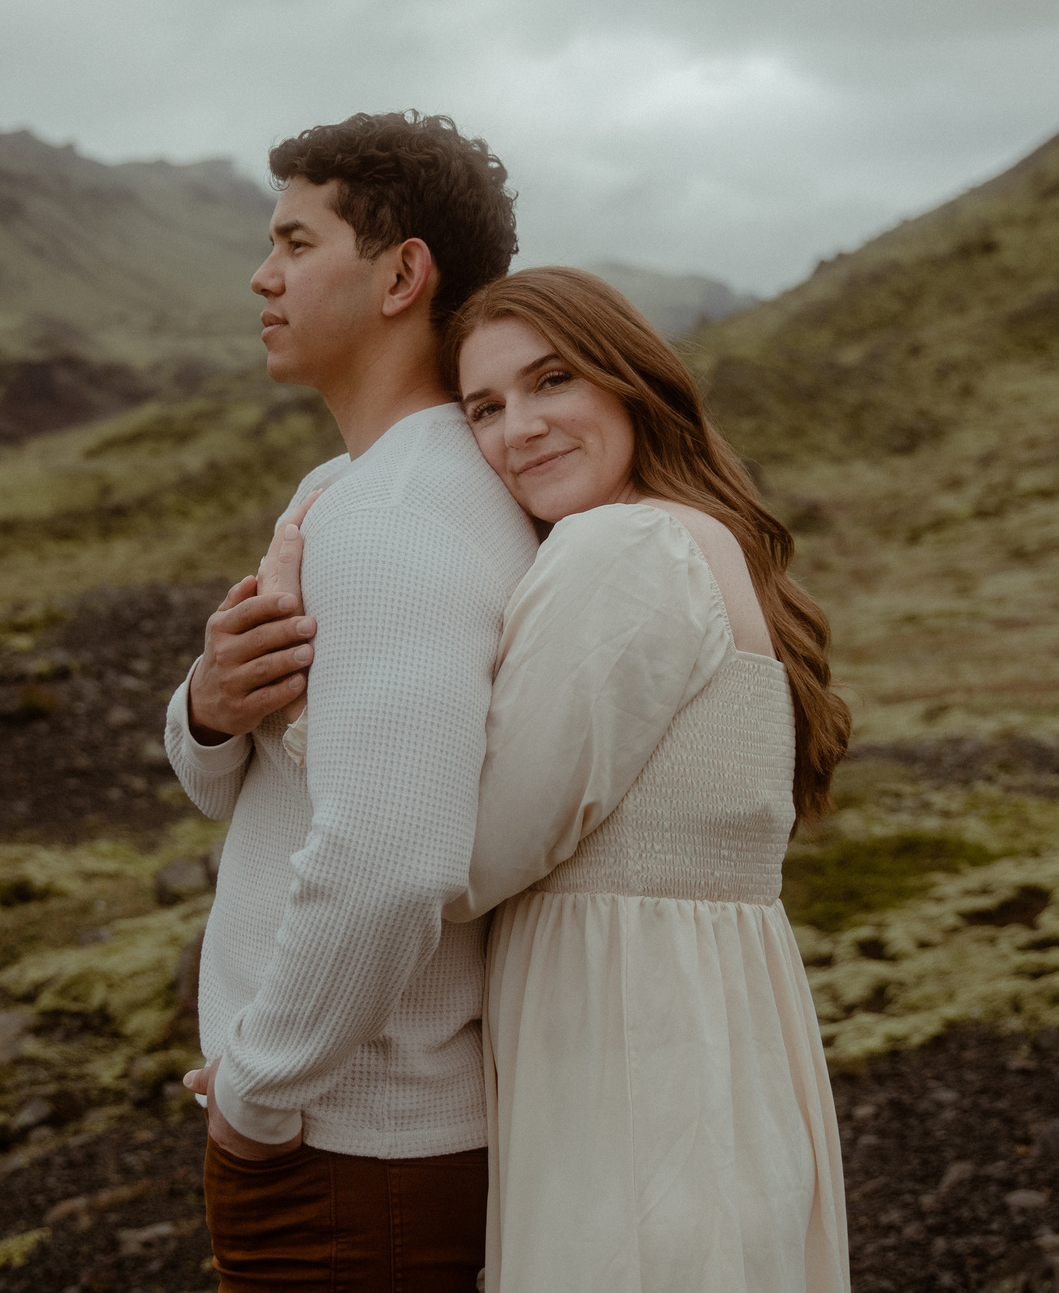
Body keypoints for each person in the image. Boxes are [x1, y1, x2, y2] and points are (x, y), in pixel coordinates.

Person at [260, 265, 854, 1291]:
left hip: (628, 1062)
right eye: (483, 408)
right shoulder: (700, 542)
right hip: (712, 1044)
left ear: (630, 383)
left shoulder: (621, 549)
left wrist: (295, 709)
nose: (517, 428)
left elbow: (474, 852)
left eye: (552, 382)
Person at [162, 111, 535, 1293]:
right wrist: (212, 705)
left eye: (296, 242)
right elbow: (247, 777)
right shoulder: (347, 490)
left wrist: (260, 1094)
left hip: (347, 1148)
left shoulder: (391, 521)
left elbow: (391, 858)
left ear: (402, 274)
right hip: (345, 1139)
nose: (262, 278)